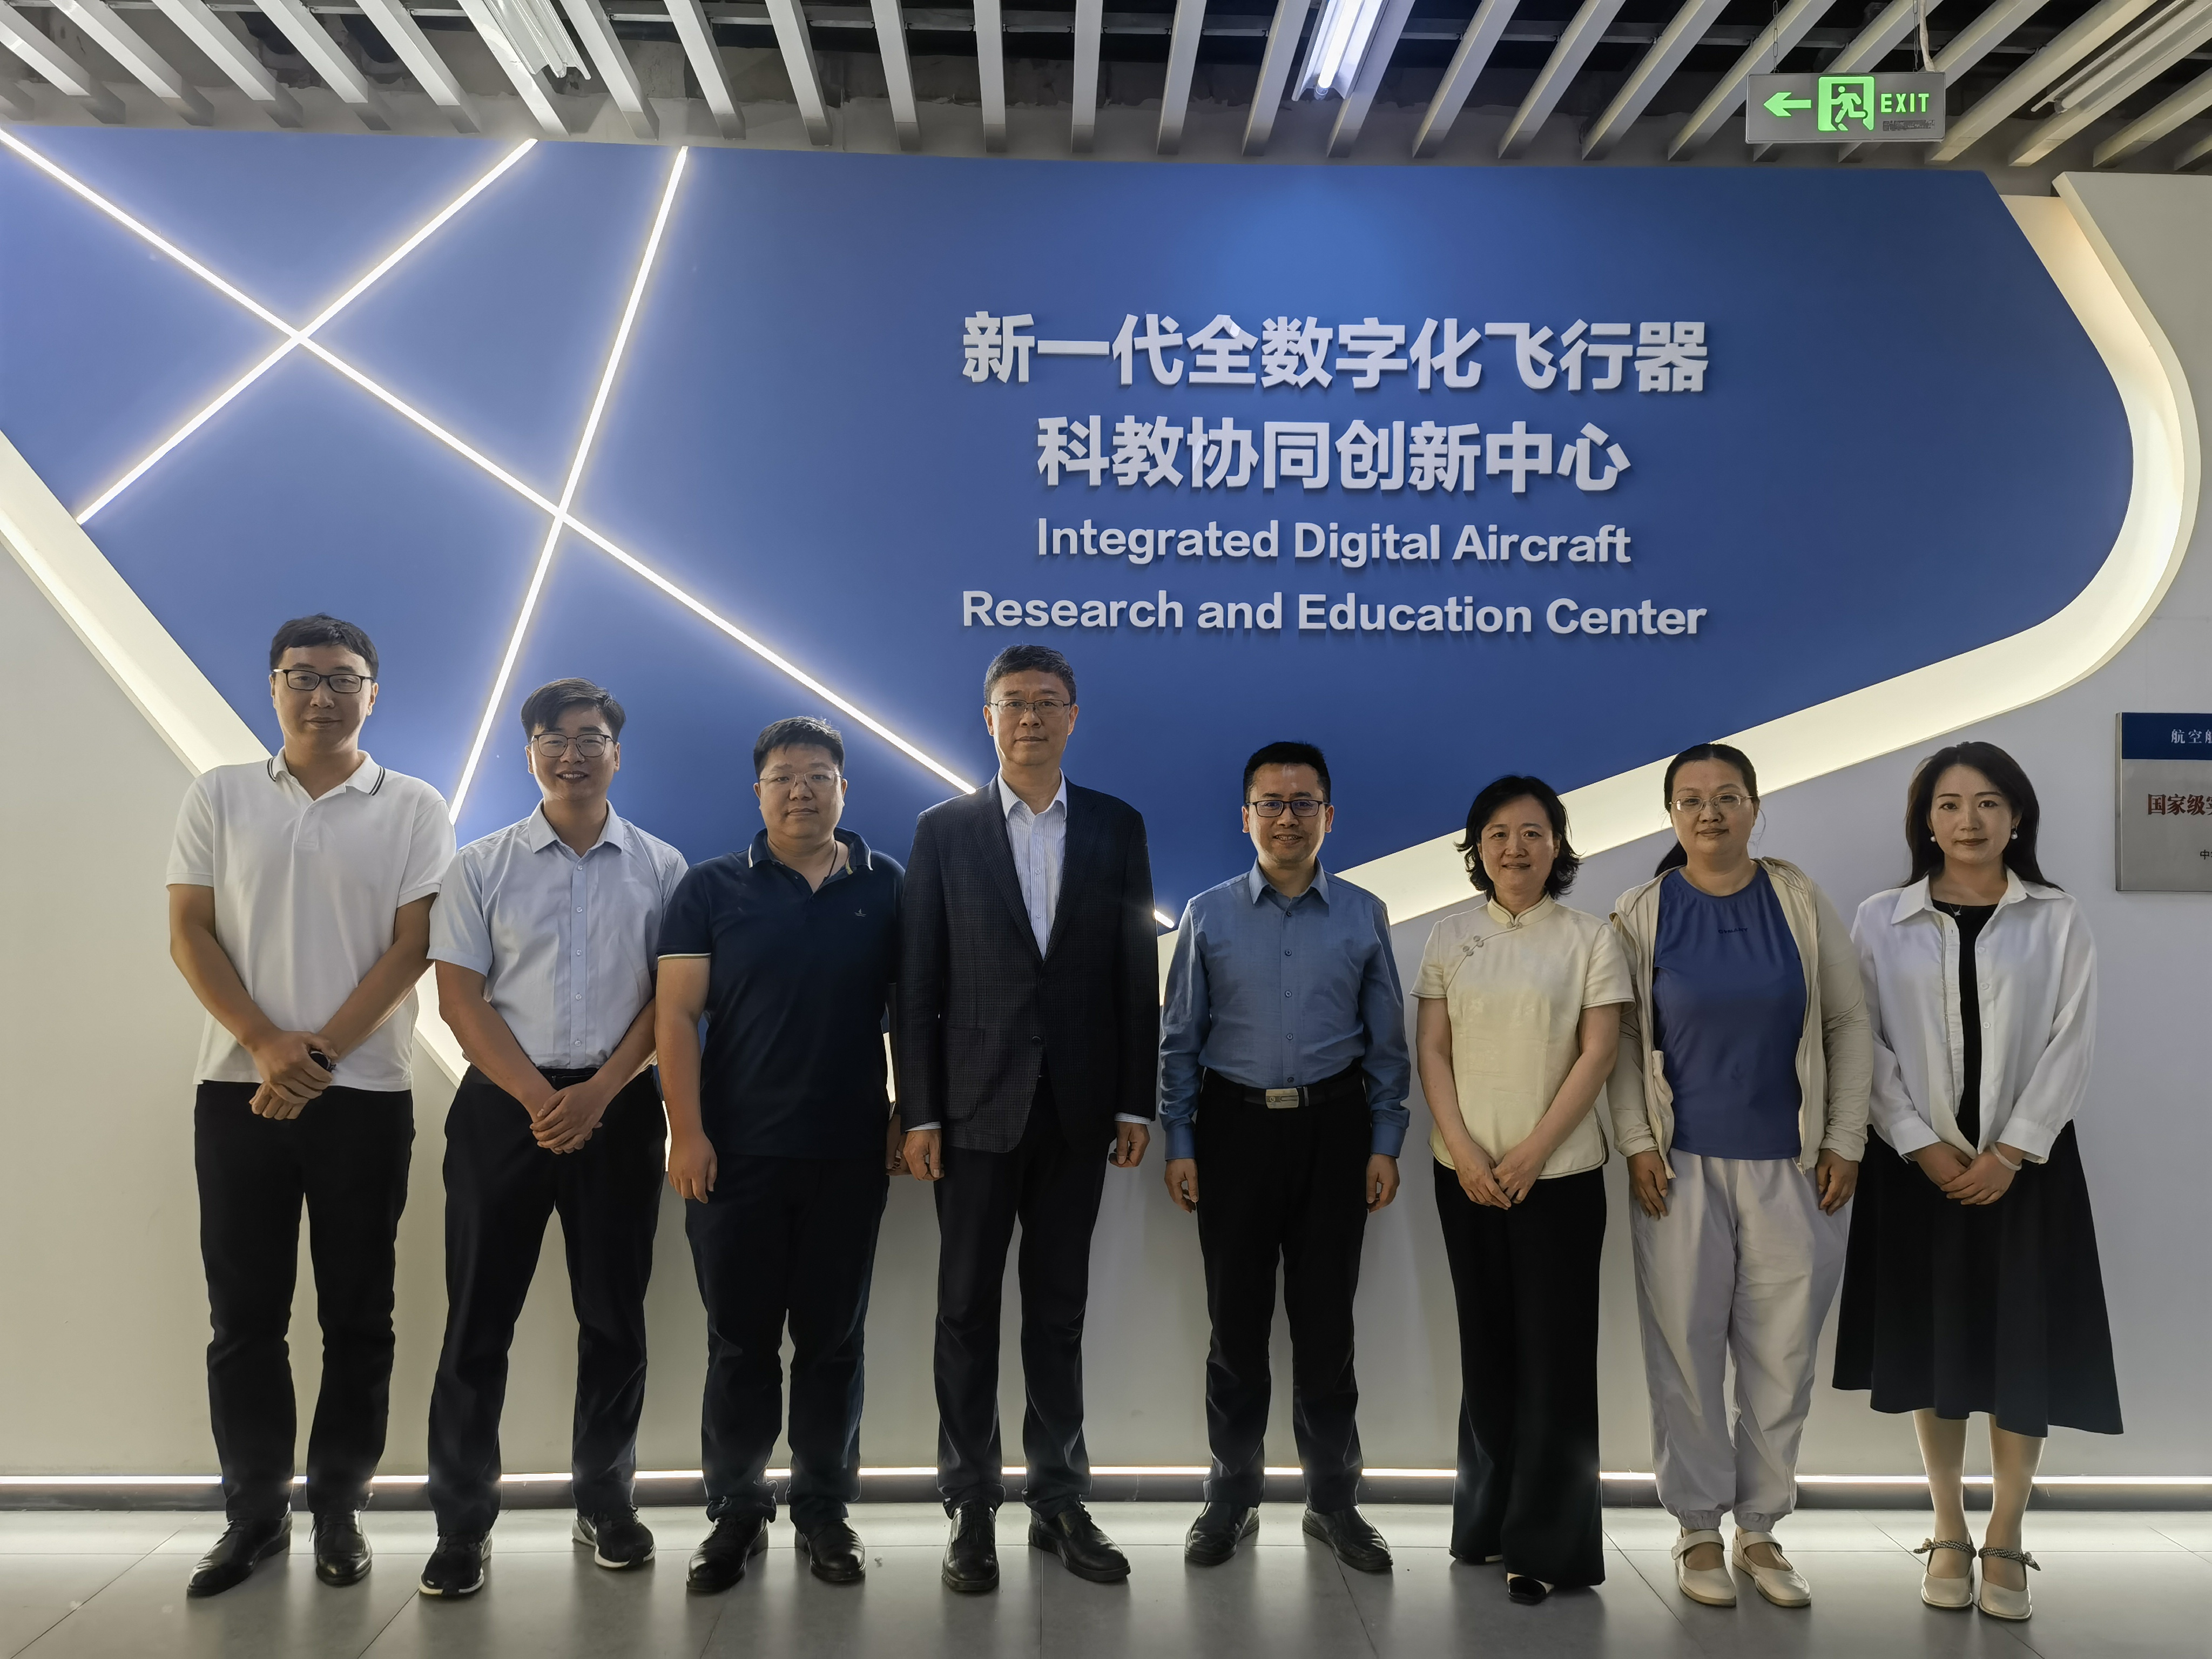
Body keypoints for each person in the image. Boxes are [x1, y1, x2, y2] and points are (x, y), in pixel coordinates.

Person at [164, 614, 455, 1597]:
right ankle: (253, 1515)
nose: (321, 695)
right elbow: (190, 931)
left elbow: (415, 944)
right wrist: (265, 1044)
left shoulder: (412, 804)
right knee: (244, 1316)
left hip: (364, 1096)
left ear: (373, 693)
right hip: (235, 1091)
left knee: (358, 1314)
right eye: (302, 676)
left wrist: (317, 1054)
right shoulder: (219, 794)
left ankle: (338, 1509)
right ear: (273, 687)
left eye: (341, 679)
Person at [417, 679, 687, 1597]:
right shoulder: (481, 864)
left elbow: (672, 1002)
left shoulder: (661, 867)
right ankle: (461, 1525)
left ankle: (606, 1503)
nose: (573, 754)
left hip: (619, 1108)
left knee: (614, 1317)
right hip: (504, 1109)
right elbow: (459, 999)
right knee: (476, 1321)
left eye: (591, 738)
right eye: (554, 738)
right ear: (529, 752)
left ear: (618, 752)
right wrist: (542, 1099)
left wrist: (598, 1093)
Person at [1835, 742, 2117, 1623]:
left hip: (2028, 1170)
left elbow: (2074, 1039)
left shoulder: (2056, 917)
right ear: (1926, 820)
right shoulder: (1880, 919)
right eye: (1950, 804)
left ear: (2017, 816)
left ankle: (2006, 1533)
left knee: (2023, 1346)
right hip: (1917, 1170)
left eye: (1989, 803)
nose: (1969, 821)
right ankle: (1949, 1527)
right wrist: (1919, 1144)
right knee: (1938, 1345)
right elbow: (1862, 1041)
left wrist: (2013, 1151)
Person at [897, 644, 1158, 1593]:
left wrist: (1134, 1098)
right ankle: (971, 1505)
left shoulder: (1116, 826)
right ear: (989, 718)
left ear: (1073, 717)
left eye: (1048, 702)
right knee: (965, 1310)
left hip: (1080, 1110)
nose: (1031, 718)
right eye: (1014, 703)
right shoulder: (944, 830)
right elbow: (917, 984)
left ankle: (1057, 1501)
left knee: (1058, 1311)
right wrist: (919, 1112)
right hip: (971, 1111)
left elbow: (1135, 973)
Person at [1606, 741, 1869, 1611]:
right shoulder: (1642, 912)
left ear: (1755, 807)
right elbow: (1619, 1041)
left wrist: (1845, 1139)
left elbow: (1848, 1021)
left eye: (1727, 796)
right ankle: (1695, 1527)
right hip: (1678, 1169)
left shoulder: (1798, 900)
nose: (1709, 812)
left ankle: (1759, 1528)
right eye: (1690, 799)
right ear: (1671, 816)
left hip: (1795, 1167)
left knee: (1782, 1355)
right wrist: (1638, 1144)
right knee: (1684, 1353)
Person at [657, 717, 905, 1593]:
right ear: (758, 792)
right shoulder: (710, 887)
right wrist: (687, 1132)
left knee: (833, 1344)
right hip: (735, 1157)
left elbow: (914, 1011)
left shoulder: (887, 885)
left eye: (819, 775)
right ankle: (735, 1510)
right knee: (741, 1346)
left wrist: (907, 1112)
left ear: (844, 789)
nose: (801, 790)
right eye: (784, 777)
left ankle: (825, 1510)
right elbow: (676, 1016)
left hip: (848, 1153)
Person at [1159, 742, 1410, 1575]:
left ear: (1328, 816)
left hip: (1335, 1132)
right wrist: (1181, 1141)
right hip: (1232, 1133)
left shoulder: (1364, 914)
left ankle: (1333, 1501)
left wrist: (1384, 1142)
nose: (1287, 818)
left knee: (1327, 1326)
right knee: (1234, 1328)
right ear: (1246, 817)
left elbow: (1388, 1045)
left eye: (1304, 803)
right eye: (1271, 803)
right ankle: (1230, 1496)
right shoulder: (1207, 915)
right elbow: (1179, 1042)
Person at [1413, 776, 1627, 1605]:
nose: (1515, 847)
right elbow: (1433, 1050)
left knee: (1556, 1361)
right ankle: (1487, 1525)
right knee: (1488, 1351)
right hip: (1463, 1175)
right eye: (1498, 833)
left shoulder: (1589, 938)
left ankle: (1548, 1547)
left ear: (1557, 845)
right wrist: (1466, 1153)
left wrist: (1534, 1152)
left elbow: (1599, 1052)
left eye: (1533, 832)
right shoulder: (1449, 936)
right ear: (1478, 849)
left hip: (1560, 1178)